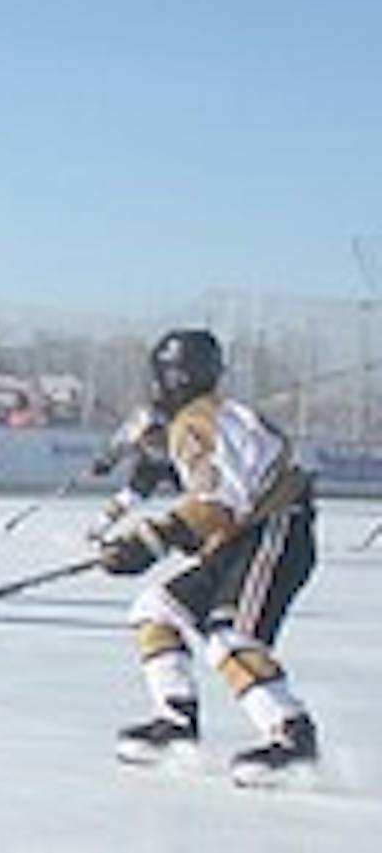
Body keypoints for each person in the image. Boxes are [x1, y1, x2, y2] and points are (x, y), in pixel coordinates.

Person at [100, 329, 320, 785]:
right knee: (156, 609)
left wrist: (150, 541)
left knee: (230, 638)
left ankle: (291, 736)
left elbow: (221, 503)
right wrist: (163, 538)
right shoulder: (213, 416)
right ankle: (176, 721)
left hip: (272, 535)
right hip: (244, 537)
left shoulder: (198, 423)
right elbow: (225, 503)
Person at [85, 405, 183, 543]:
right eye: (146, 439)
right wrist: (105, 464)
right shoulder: (132, 433)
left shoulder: (180, 428)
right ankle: (97, 530)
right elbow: (117, 449)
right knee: (130, 497)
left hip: (180, 461)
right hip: (151, 466)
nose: (152, 441)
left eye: (155, 437)